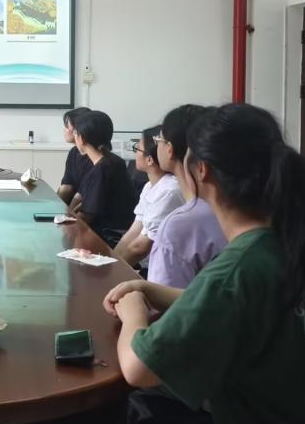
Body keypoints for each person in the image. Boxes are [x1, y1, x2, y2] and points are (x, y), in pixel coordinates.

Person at [104, 103, 305, 424]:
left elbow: (138, 369)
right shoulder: (297, 247)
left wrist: (133, 312)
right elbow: (236, 307)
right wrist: (148, 289)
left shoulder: (238, 270)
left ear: (201, 170)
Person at [146, 104, 226, 289]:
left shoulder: (179, 225)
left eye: (159, 139)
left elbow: (163, 302)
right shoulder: (235, 209)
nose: (156, 145)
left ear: (170, 149)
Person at [112, 125, 185, 268]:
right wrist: (111, 262)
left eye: (137, 149)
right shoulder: (150, 186)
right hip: (142, 265)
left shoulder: (169, 190)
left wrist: (114, 271)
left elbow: (140, 247)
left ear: (150, 159)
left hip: (158, 269)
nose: (135, 154)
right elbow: (133, 232)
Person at [69, 110, 136, 244]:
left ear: (81, 138)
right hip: (115, 232)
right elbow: (83, 200)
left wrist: (65, 226)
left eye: (75, 133)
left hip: (108, 237)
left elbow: (87, 215)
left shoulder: (102, 168)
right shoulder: (112, 161)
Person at [56, 106, 92, 206]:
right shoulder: (74, 152)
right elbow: (66, 187)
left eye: (67, 126)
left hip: (87, 208)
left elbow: (82, 195)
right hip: (72, 205)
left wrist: (67, 212)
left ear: (79, 129)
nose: (64, 130)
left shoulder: (94, 157)